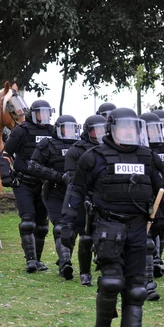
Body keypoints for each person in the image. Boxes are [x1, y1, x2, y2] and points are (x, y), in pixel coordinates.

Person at [59, 107, 164, 327]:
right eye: (123, 127)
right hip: (108, 227)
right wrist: (67, 224)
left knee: (136, 289)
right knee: (112, 282)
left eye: (132, 127)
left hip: (138, 227)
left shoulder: (149, 158)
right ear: (111, 128)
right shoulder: (94, 158)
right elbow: (76, 191)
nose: (127, 132)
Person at [4, 99, 55, 272]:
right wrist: (5, 175)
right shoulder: (21, 130)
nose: (44, 116)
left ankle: (38, 259)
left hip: (45, 183)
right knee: (28, 222)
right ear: (33, 113)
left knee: (42, 225)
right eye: (41, 113)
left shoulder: (53, 131)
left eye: (47, 113)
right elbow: (5, 154)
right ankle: (30, 259)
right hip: (23, 182)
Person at [28, 115, 81, 280]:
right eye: (66, 128)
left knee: (73, 228)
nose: (69, 132)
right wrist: (58, 176)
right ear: (58, 128)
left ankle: (64, 257)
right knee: (60, 226)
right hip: (54, 192)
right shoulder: (47, 144)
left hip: (74, 192)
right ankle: (65, 262)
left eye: (72, 128)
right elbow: (33, 165)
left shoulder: (79, 146)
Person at [63, 114, 107, 286]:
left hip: (103, 198)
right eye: (97, 130)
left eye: (104, 130)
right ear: (88, 131)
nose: (101, 134)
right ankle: (85, 273)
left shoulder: (109, 150)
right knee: (86, 237)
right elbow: (72, 178)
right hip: (82, 198)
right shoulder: (76, 150)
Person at [140, 112, 164, 300]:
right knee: (146, 241)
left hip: (159, 198)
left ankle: (156, 263)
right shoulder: (136, 150)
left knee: (158, 232)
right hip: (139, 201)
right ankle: (147, 281)